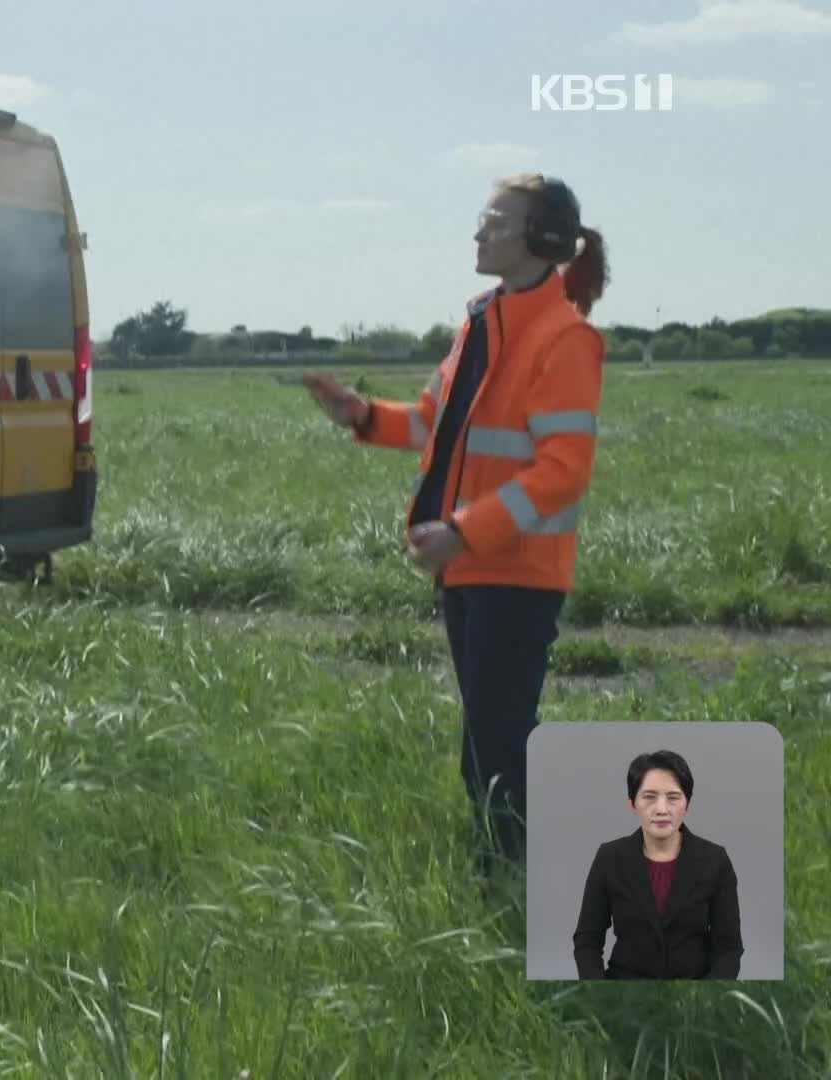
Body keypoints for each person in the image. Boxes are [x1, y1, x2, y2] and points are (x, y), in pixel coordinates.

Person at [302, 173, 609, 880]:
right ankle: (525, 872)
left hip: (516, 569)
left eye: (495, 221)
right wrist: (362, 416)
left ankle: (512, 880)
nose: (479, 231)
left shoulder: (565, 339)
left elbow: (563, 470)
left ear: (541, 240)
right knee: (491, 741)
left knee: (494, 747)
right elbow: (432, 424)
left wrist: (466, 530)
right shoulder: (478, 324)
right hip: (469, 567)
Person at [571, 750, 743, 979]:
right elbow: (587, 942)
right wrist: (600, 994)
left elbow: (729, 949)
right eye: (649, 797)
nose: (662, 809)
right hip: (623, 994)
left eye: (673, 797)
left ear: (687, 804)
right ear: (632, 804)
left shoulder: (715, 860)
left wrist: (707, 999)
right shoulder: (609, 858)